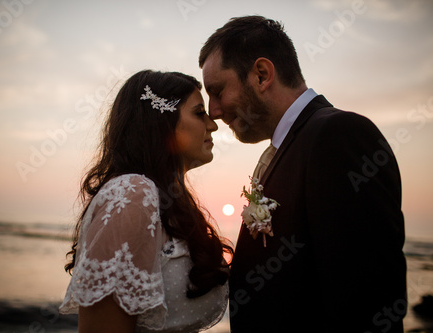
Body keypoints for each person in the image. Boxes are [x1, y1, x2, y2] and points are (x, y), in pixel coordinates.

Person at [199, 15, 407, 332]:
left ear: (261, 74)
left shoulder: (338, 135)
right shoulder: (293, 145)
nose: (213, 111)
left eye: (217, 90)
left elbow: (367, 303)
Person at [59, 70, 233, 332]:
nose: (212, 124)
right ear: (162, 122)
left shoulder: (172, 203)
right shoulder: (132, 195)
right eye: (199, 113)